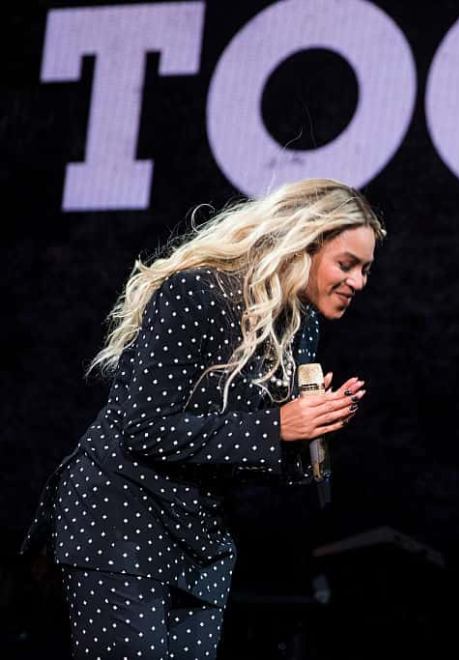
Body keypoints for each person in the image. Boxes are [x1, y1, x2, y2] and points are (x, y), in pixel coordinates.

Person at [22, 178, 384, 659]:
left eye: (366, 269)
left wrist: (314, 427)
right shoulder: (200, 291)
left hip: (202, 542)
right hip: (120, 520)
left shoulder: (300, 324)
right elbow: (145, 428)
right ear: (304, 243)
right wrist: (277, 425)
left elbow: (244, 451)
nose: (358, 282)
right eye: (347, 264)